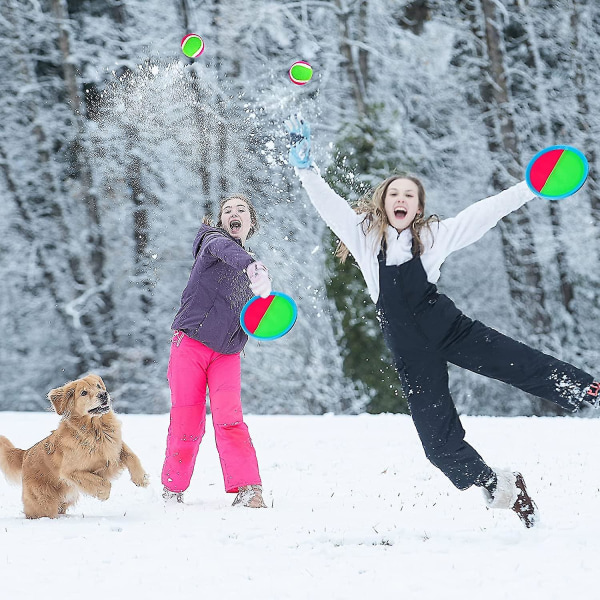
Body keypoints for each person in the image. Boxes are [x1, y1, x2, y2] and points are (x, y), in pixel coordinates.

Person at [285, 115, 600, 528]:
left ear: (418, 207)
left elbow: (483, 213)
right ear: (384, 202)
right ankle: (500, 486)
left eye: (410, 196)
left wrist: (530, 187)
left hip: (452, 330)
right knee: (437, 445)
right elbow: (329, 206)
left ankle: (589, 390)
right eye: (394, 193)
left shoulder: (432, 237)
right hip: (412, 355)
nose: (401, 199)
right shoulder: (364, 239)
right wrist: (305, 168)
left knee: (517, 362)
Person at [161, 194, 271, 508]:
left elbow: (251, 320)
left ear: (251, 221)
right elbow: (225, 251)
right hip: (190, 346)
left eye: (241, 210)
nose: (233, 214)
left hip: (226, 353)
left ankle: (249, 489)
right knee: (188, 420)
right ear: (221, 221)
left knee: (230, 419)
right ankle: (173, 488)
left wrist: (264, 303)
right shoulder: (212, 243)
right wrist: (251, 267)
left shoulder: (254, 268)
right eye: (227, 211)